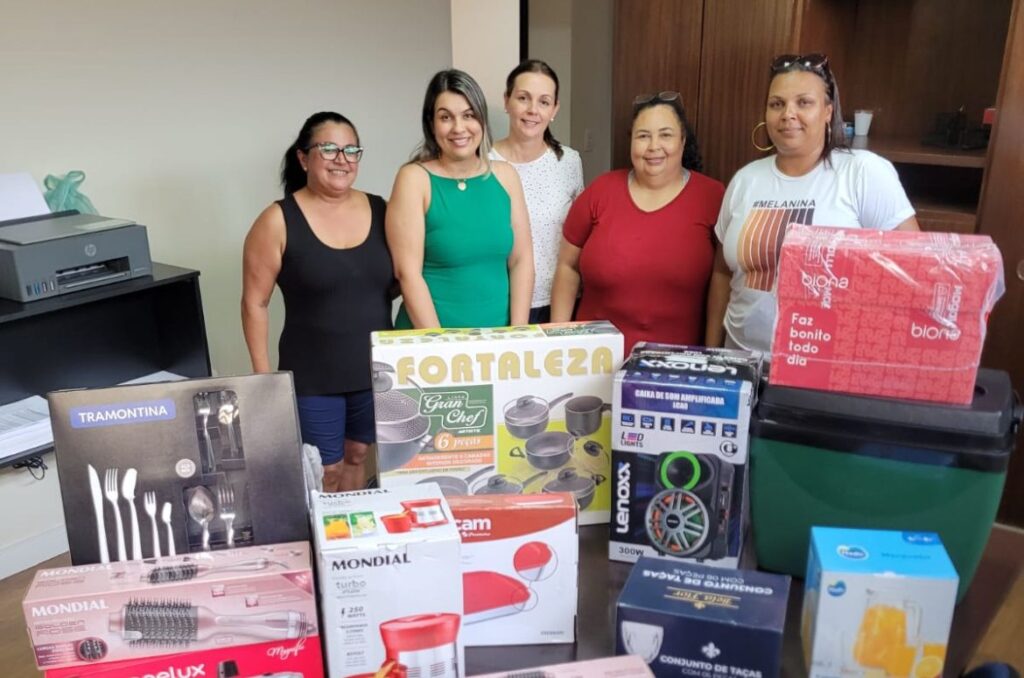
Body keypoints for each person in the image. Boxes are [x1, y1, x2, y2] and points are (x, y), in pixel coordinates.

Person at [706, 53, 920, 352]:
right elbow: (722, 273)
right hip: (739, 358)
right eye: (777, 104)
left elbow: (912, 271)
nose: (788, 114)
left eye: (804, 102)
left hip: (825, 365)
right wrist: (712, 353)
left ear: (828, 111)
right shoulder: (745, 179)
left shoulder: (863, 172)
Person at [241, 112, 394, 492]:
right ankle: (321, 533)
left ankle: (352, 531)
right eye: (328, 149)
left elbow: (395, 281)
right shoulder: (277, 220)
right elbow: (255, 303)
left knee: (358, 454)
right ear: (303, 158)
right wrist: (265, 379)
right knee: (326, 469)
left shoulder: (383, 210)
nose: (342, 159)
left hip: (372, 368)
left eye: (351, 150)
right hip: (312, 374)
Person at [550, 92, 724, 353]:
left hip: (677, 364)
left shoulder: (713, 196)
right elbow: (567, 266)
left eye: (665, 135)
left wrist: (713, 354)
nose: (654, 146)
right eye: (643, 136)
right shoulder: (600, 191)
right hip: (593, 360)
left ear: (683, 141)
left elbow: (723, 280)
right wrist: (558, 341)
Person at [387, 68, 533, 329]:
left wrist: (519, 333)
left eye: (468, 115)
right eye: (446, 117)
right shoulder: (414, 179)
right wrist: (440, 345)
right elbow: (407, 274)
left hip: (499, 339)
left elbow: (521, 260)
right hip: (430, 340)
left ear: (481, 120)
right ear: (431, 123)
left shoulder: (506, 176)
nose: (458, 128)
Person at [490, 59, 584, 323]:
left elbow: (577, 238)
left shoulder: (569, 161)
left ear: (555, 109)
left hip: (559, 303)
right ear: (507, 101)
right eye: (523, 98)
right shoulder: (482, 162)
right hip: (500, 303)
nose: (533, 110)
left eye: (544, 102)